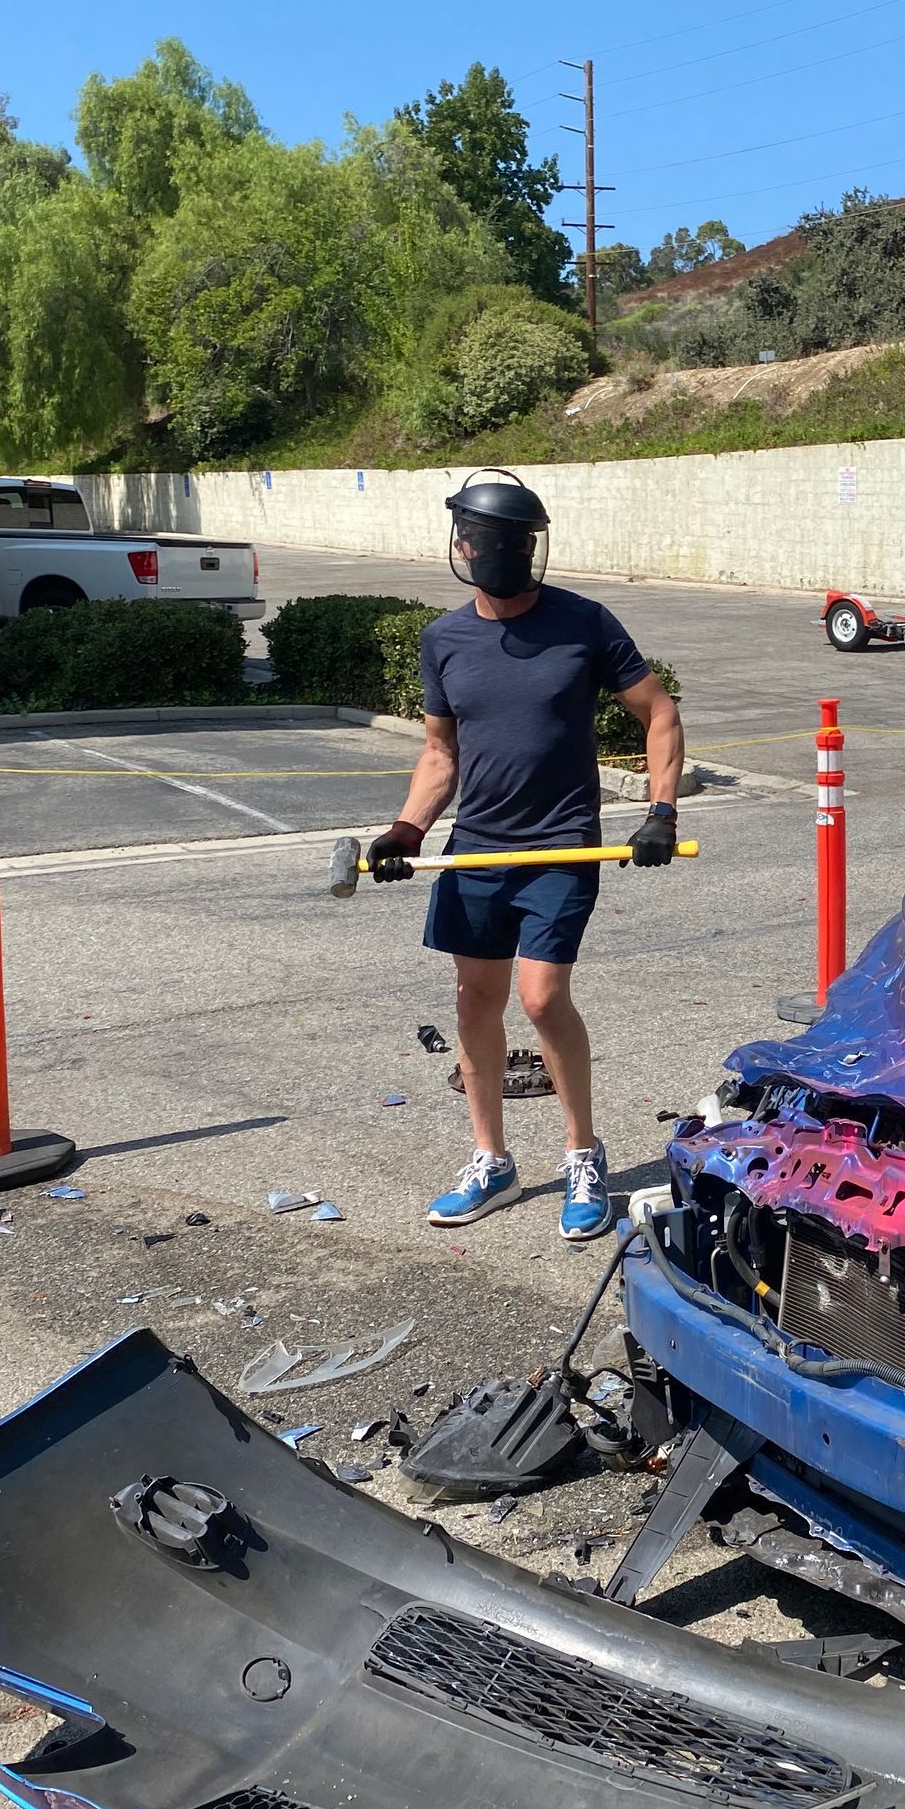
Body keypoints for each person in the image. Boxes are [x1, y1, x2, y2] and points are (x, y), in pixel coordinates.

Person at [367, 471, 684, 1240]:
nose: (500, 553)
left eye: (517, 541)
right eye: (487, 540)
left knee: (541, 999)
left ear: (531, 546)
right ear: (463, 546)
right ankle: (493, 1161)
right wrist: (407, 829)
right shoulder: (443, 640)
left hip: (565, 844)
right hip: (476, 849)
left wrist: (661, 811)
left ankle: (582, 1154)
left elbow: (658, 711)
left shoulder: (584, 623)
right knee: (475, 1002)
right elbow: (440, 753)